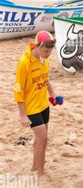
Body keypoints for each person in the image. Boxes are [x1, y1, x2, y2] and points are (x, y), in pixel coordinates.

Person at [14, 31, 60, 179]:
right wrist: (22, 115)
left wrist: (53, 94)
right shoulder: (24, 63)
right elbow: (18, 89)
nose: (48, 54)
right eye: (46, 51)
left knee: (41, 138)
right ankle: (41, 174)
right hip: (31, 107)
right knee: (43, 137)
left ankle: (35, 165)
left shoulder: (43, 59)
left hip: (43, 104)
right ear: (37, 46)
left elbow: (45, 79)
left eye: (50, 51)